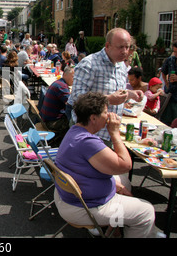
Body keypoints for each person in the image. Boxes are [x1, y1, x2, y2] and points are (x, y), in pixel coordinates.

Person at [54, 92, 158, 238]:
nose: (108, 115)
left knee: (123, 181)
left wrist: (117, 185)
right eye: (105, 112)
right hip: (82, 207)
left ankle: (114, 230)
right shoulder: (87, 142)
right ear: (93, 118)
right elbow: (125, 165)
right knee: (146, 211)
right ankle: (139, 228)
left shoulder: (75, 131)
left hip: (69, 198)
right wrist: (114, 133)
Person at [67, 28, 144, 143]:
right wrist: (108, 99)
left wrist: (130, 94)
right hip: (90, 133)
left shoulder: (121, 65)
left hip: (110, 131)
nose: (125, 51)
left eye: (127, 47)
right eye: (120, 47)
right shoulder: (89, 64)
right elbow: (77, 98)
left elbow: (117, 92)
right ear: (108, 46)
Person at [40, 66, 74, 139]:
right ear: (64, 74)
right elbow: (71, 104)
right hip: (51, 122)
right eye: (73, 77)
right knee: (76, 123)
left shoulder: (59, 83)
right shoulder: (62, 87)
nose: (74, 80)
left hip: (46, 118)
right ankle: (63, 143)